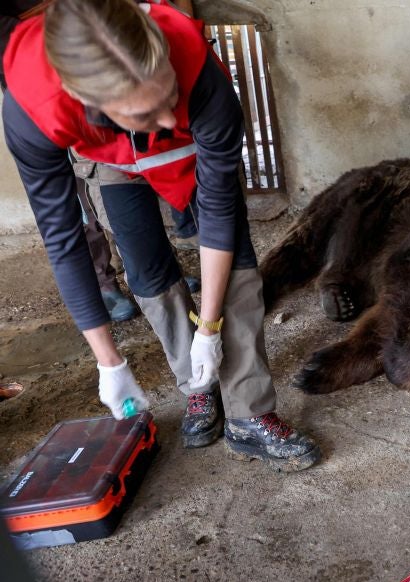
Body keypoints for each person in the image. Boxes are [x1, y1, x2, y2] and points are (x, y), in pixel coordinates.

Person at [2, 0, 321, 472]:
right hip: (111, 164)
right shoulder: (33, 108)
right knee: (146, 270)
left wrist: (209, 329)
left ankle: (249, 412)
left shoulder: (197, 71)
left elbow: (218, 211)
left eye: (166, 95)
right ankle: (198, 388)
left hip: (196, 150)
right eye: (146, 112)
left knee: (236, 269)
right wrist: (109, 364)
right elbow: (63, 239)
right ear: (91, 104)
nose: (168, 120)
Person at [2, 1, 139, 323]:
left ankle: (144, 269)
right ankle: (104, 281)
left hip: (97, 79)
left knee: (123, 174)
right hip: (42, 98)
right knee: (80, 202)